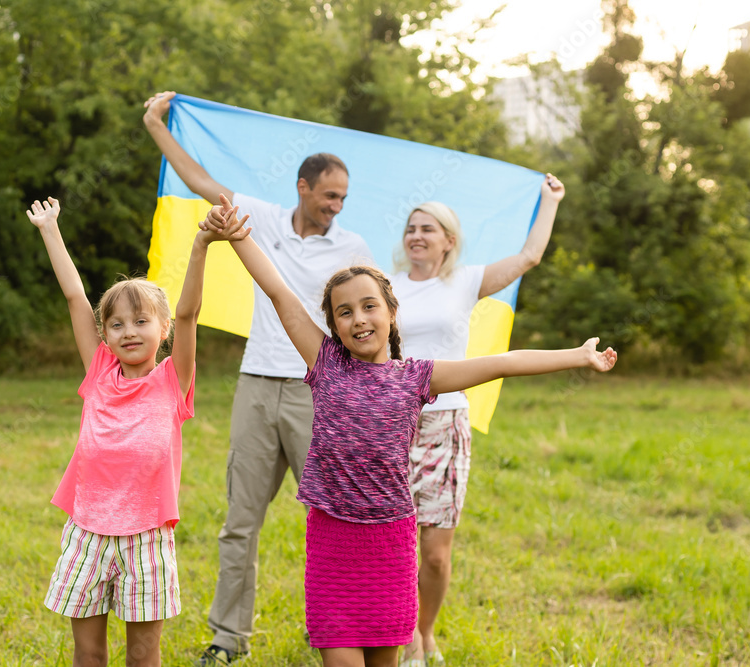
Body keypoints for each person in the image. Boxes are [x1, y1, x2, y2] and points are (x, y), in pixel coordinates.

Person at [205, 195, 616, 667]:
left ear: (391, 313)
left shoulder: (415, 377)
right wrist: (239, 237)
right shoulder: (325, 363)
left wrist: (578, 356)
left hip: (390, 542)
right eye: (344, 312)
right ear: (334, 326)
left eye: (368, 306)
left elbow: (501, 363)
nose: (358, 318)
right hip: (332, 541)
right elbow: (279, 292)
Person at [143, 91, 373, 665]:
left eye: (343, 198)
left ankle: (343, 630)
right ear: (302, 187)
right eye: (328, 196)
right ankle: (227, 639)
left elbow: (372, 318)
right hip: (255, 387)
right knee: (239, 521)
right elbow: (197, 177)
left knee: (334, 520)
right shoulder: (261, 219)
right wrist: (155, 124)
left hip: (318, 394)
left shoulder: (354, 248)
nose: (336, 207)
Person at [28, 196, 249, 667]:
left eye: (142, 321)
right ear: (104, 334)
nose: (129, 331)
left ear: (163, 330)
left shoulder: (173, 381)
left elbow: (190, 312)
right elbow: (74, 297)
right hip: (86, 532)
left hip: (146, 539)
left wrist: (202, 243)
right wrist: (50, 228)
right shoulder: (99, 371)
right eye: (117, 324)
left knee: (143, 656)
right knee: (88, 653)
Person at [391, 174, 565, 666]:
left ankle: (425, 632)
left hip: (448, 425)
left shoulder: (465, 281)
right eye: (411, 228)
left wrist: (549, 202)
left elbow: (529, 257)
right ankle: (399, 631)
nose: (417, 236)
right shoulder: (387, 288)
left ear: (449, 240)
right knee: (395, 544)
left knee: (435, 554)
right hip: (396, 428)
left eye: (428, 228)